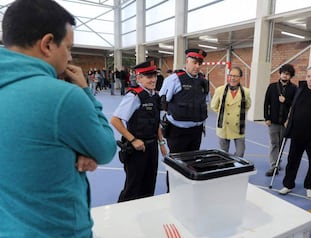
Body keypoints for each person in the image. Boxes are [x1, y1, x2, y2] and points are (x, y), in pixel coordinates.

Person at [0, 0, 117, 237]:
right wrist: (85, 92)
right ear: (47, 44)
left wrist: (61, 153)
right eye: (68, 47)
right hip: (55, 229)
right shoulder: (63, 97)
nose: (70, 58)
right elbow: (105, 149)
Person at [111, 60, 168, 202]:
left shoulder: (155, 96)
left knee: (149, 183)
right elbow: (115, 120)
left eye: (154, 76)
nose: (153, 79)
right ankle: (124, 215)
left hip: (152, 146)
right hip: (136, 149)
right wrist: (133, 140)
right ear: (139, 78)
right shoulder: (134, 96)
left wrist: (161, 143)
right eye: (149, 76)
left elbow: (156, 123)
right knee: (133, 186)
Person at [279, 66, 311, 198]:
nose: (310, 79)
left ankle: (310, 186)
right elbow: (293, 107)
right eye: (308, 76)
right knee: (292, 160)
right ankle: (288, 184)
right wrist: (288, 120)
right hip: (297, 133)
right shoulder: (300, 90)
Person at [159, 48, 210, 153]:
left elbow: (205, 101)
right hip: (177, 131)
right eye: (194, 62)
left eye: (199, 63)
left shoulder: (204, 81)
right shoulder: (173, 79)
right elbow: (162, 102)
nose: (197, 66)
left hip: (196, 131)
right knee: (177, 164)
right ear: (187, 61)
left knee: (193, 162)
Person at [263, 64, 297, 176]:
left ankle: (278, 161)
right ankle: (274, 165)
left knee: (281, 144)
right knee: (274, 143)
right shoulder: (272, 87)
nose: (285, 76)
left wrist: (286, 101)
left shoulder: (294, 89)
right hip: (273, 121)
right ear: (280, 73)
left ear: (290, 76)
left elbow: (295, 105)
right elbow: (266, 103)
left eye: (287, 74)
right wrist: (266, 117)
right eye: (283, 73)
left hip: (285, 122)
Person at [211, 66, 251, 157]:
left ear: (240, 77)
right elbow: (214, 106)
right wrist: (224, 114)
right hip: (224, 125)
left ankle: (235, 166)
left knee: (240, 152)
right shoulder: (220, 90)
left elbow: (247, 106)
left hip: (239, 126)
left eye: (236, 76)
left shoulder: (246, 92)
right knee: (223, 153)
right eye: (231, 75)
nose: (232, 78)